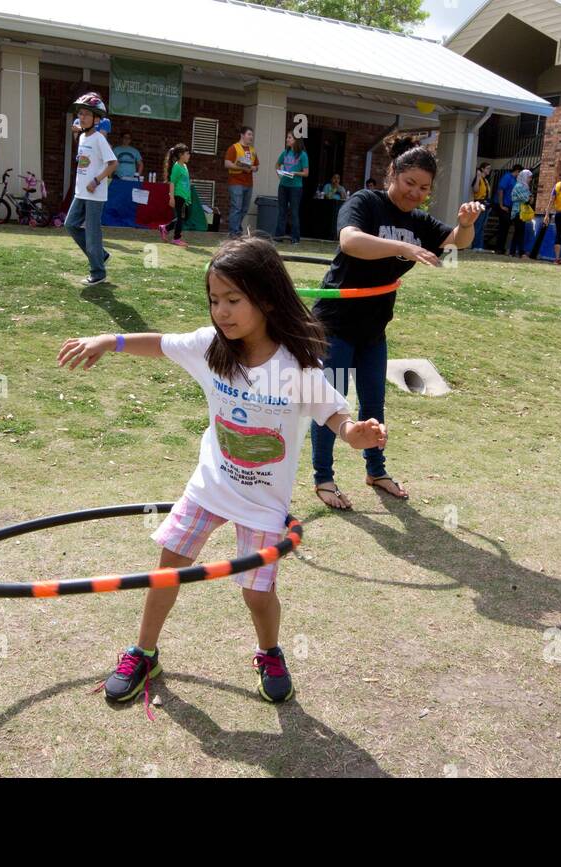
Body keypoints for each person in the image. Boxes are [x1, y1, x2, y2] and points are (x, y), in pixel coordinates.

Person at [56, 237, 387, 713]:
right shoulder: (211, 348)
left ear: (267, 298)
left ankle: (270, 653)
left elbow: (335, 417)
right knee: (166, 569)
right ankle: (144, 654)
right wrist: (111, 341)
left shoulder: (295, 367)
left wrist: (356, 434)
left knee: (258, 592)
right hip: (210, 487)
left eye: (234, 300)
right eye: (214, 300)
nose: (222, 312)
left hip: (262, 504)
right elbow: (162, 343)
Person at [310, 137, 484, 510]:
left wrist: (465, 224)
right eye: (410, 184)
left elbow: (456, 243)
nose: (416, 194)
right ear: (393, 174)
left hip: (373, 330)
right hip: (335, 324)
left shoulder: (418, 221)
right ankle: (323, 478)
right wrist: (403, 248)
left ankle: (376, 471)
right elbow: (351, 241)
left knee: (374, 405)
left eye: (424, 189)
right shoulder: (365, 202)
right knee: (330, 405)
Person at [64, 93, 117, 287]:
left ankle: (98, 272)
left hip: (94, 194)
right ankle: (100, 255)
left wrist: (96, 180)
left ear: (96, 118)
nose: (82, 117)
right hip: (81, 192)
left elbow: (113, 164)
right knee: (70, 224)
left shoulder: (99, 139)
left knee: (92, 233)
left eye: (86, 114)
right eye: (80, 113)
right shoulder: (83, 137)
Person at [274, 132, 308, 244]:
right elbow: (277, 165)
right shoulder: (285, 153)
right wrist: (279, 174)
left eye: (289, 138)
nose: (287, 139)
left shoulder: (302, 155)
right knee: (281, 212)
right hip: (283, 186)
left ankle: (295, 238)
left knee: (294, 212)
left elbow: (306, 173)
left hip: (296, 188)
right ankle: (279, 237)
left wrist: (295, 173)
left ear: (295, 140)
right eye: (287, 137)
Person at [223, 126, 258, 236]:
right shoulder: (234, 148)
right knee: (236, 207)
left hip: (249, 183)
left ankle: (236, 228)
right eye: (249, 134)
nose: (251, 137)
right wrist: (242, 167)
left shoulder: (252, 150)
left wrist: (254, 168)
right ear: (242, 135)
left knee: (244, 209)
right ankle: (234, 231)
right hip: (236, 182)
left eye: (252, 135)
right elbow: (227, 163)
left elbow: (256, 166)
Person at [160, 143, 191, 248]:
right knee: (180, 217)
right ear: (181, 155)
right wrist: (171, 197)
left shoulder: (185, 166)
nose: (189, 155)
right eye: (187, 153)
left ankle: (166, 228)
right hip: (178, 196)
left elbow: (185, 182)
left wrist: (188, 196)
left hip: (185, 197)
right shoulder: (177, 167)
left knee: (184, 217)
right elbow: (172, 182)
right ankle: (176, 238)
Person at [492, 164, 520, 254]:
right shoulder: (507, 177)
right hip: (503, 205)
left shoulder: (515, 180)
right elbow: (500, 190)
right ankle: (499, 248)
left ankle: (500, 248)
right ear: (517, 171)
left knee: (506, 226)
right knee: (504, 225)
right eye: (520, 173)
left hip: (508, 206)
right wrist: (501, 205)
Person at [507, 167, 534, 256]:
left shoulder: (525, 186)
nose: (530, 179)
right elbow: (526, 199)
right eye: (529, 177)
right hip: (518, 211)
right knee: (520, 232)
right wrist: (529, 197)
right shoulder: (519, 186)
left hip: (522, 212)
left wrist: (530, 198)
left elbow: (530, 200)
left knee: (518, 232)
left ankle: (512, 251)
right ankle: (521, 252)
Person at [470, 162, 491, 250]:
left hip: (486, 204)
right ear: (482, 169)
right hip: (479, 203)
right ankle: (475, 245)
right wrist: (478, 177)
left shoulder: (486, 180)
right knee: (477, 225)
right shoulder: (479, 179)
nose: (489, 170)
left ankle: (480, 246)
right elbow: (475, 190)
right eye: (487, 168)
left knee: (482, 226)